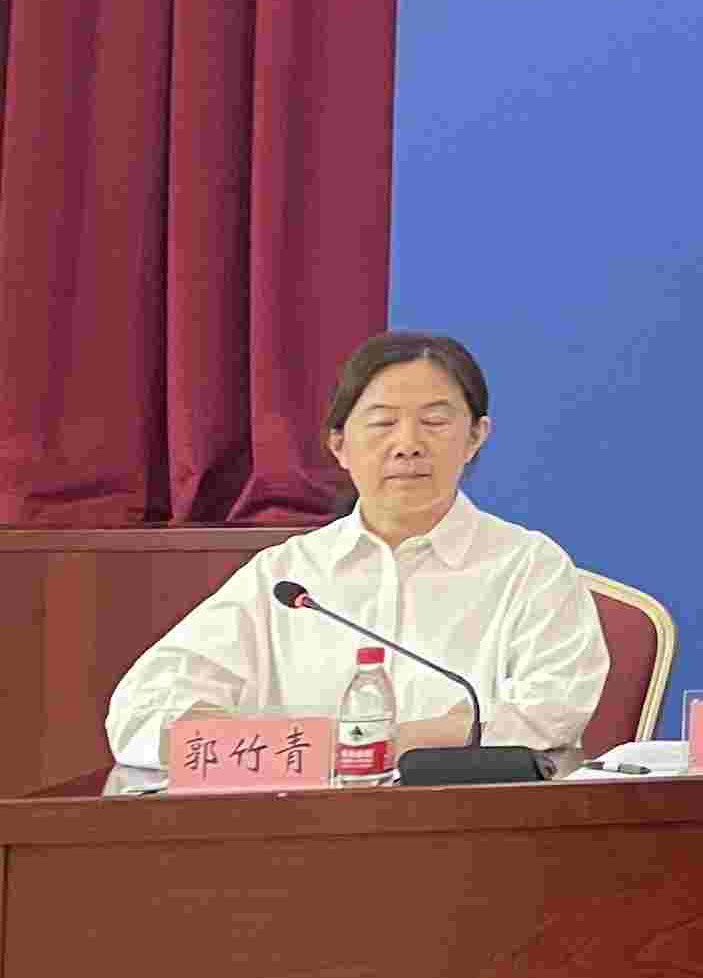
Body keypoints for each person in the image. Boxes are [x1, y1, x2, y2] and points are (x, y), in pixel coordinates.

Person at [106, 331, 609, 772]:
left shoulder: (529, 567)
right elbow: (140, 712)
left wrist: (382, 745)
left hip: (471, 827)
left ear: (476, 436)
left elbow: (556, 708)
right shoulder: (287, 578)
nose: (408, 444)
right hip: (303, 831)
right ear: (339, 446)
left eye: (435, 421)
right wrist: (263, 747)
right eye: (382, 423)